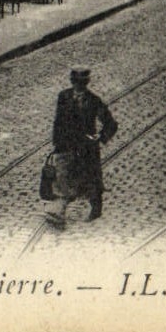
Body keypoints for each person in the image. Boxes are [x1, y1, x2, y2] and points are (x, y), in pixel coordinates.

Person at [48, 66, 117, 226]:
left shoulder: (93, 100)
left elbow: (110, 123)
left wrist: (100, 137)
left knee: (91, 180)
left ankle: (96, 209)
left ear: (86, 83)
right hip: (66, 144)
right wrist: (57, 143)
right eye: (75, 83)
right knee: (63, 177)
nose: (78, 87)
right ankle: (59, 212)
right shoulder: (63, 97)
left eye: (81, 84)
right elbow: (58, 121)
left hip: (86, 148)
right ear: (72, 82)